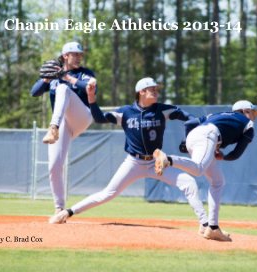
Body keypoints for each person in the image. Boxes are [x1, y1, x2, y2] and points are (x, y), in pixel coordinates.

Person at [49, 77, 209, 234]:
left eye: (156, 89)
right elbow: (99, 118)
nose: (156, 92)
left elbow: (190, 118)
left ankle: (204, 224)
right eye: (152, 89)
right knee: (107, 194)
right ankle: (68, 212)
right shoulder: (125, 112)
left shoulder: (163, 110)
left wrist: (189, 135)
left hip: (157, 162)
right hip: (134, 163)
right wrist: (91, 98)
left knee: (188, 182)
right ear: (141, 92)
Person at [153, 100, 257, 241]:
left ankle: (212, 228)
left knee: (218, 182)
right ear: (244, 111)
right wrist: (224, 156)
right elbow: (237, 153)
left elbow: (189, 124)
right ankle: (168, 159)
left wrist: (186, 142)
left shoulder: (214, 115)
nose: (253, 116)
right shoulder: (248, 124)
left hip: (197, 134)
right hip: (209, 136)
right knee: (198, 169)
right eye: (252, 112)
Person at [30, 41, 96, 214]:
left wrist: (66, 77)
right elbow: (34, 92)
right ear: (65, 56)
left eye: (80, 54)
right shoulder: (54, 73)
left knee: (63, 90)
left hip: (82, 117)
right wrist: (46, 78)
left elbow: (89, 87)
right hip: (63, 125)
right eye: (75, 54)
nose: (79, 57)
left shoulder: (85, 73)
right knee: (54, 166)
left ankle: (53, 127)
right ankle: (59, 208)